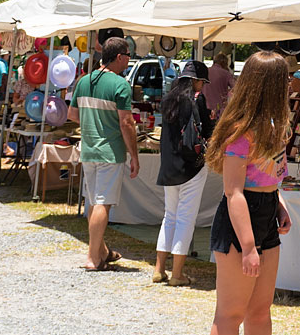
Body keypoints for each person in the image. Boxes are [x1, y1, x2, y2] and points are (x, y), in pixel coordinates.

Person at [205, 49, 294, 335]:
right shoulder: (242, 131)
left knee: (260, 313)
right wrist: (249, 246)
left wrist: (279, 205)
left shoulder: (273, 125)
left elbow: (267, 179)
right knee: (230, 315)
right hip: (242, 226)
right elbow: (233, 192)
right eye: (285, 80)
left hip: (264, 218)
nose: (290, 85)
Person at [73, 38, 141, 271]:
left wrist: (94, 119)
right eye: (129, 55)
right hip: (109, 151)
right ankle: (93, 257)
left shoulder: (84, 81)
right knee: (103, 203)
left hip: (88, 148)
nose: (129, 59)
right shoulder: (120, 84)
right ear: (120, 56)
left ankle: (101, 251)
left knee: (95, 202)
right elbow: (127, 122)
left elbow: (73, 114)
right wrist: (135, 155)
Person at [152, 60, 211, 287]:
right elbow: (207, 130)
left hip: (168, 166)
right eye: (202, 82)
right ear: (196, 80)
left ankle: (159, 269)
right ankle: (177, 274)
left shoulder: (169, 99)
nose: (202, 87)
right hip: (191, 166)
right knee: (186, 219)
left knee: (170, 216)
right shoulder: (196, 100)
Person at [204, 47, 235, 117]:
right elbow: (235, 88)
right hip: (219, 108)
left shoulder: (206, 71)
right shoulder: (226, 73)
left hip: (204, 106)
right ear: (224, 63)